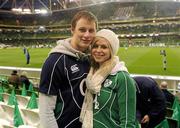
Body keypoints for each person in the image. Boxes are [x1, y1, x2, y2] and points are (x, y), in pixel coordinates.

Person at [39, 10, 98, 128]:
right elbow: (46, 111)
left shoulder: (93, 58)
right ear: (72, 29)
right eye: (82, 30)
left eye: (91, 30)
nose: (87, 35)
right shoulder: (55, 61)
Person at [80, 29, 136, 128]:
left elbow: (128, 122)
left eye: (104, 47)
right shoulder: (92, 73)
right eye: (95, 46)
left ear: (112, 50)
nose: (98, 50)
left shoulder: (122, 78)